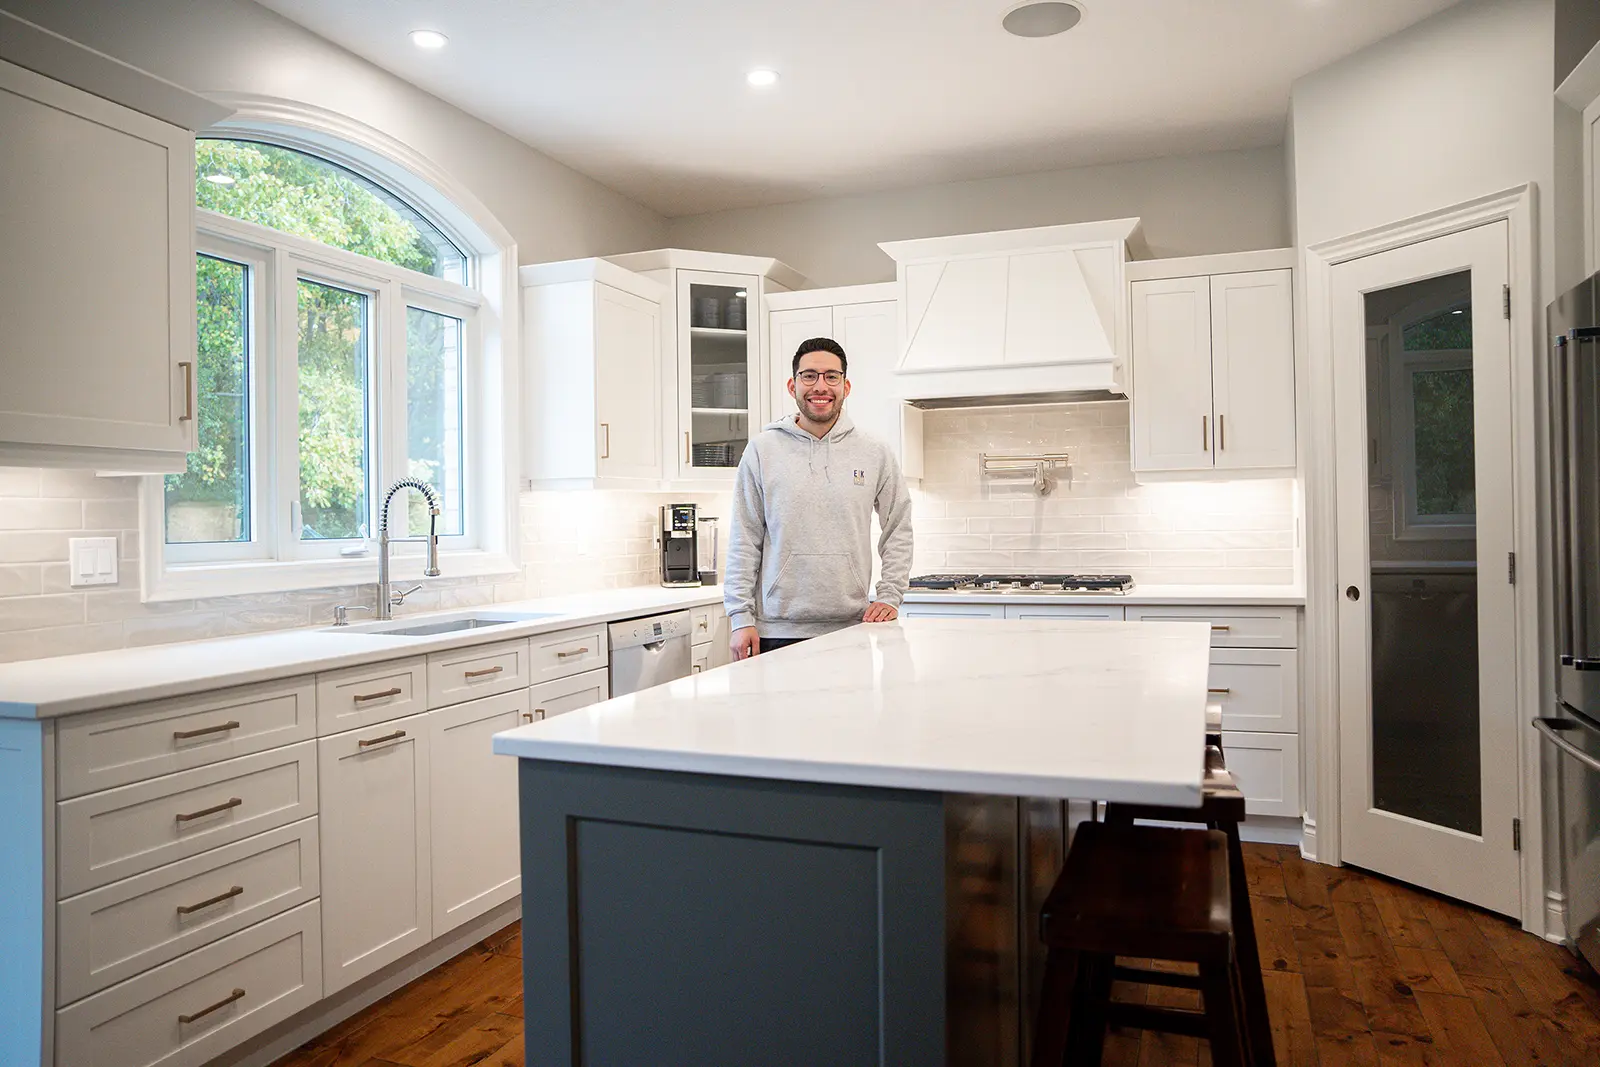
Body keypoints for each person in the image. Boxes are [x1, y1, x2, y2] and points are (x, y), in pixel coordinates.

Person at [724, 336, 913, 660]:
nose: (820, 386)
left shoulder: (874, 451)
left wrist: (890, 594)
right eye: (809, 375)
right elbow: (745, 537)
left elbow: (898, 525)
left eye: (831, 376)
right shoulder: (762, 450)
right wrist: (740, 617)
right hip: (775, 633)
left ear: (846, 386)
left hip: (853, 629)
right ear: (792, 385)